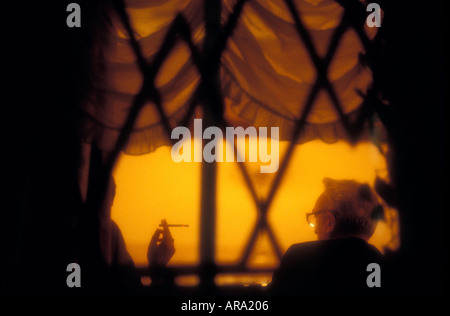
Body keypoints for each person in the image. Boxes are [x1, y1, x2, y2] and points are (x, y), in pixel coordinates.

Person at [269, 178, 384, 295]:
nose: (315, 230)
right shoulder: (384, 266)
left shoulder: (299, 258)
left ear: (329, 222)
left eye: (316, 216)